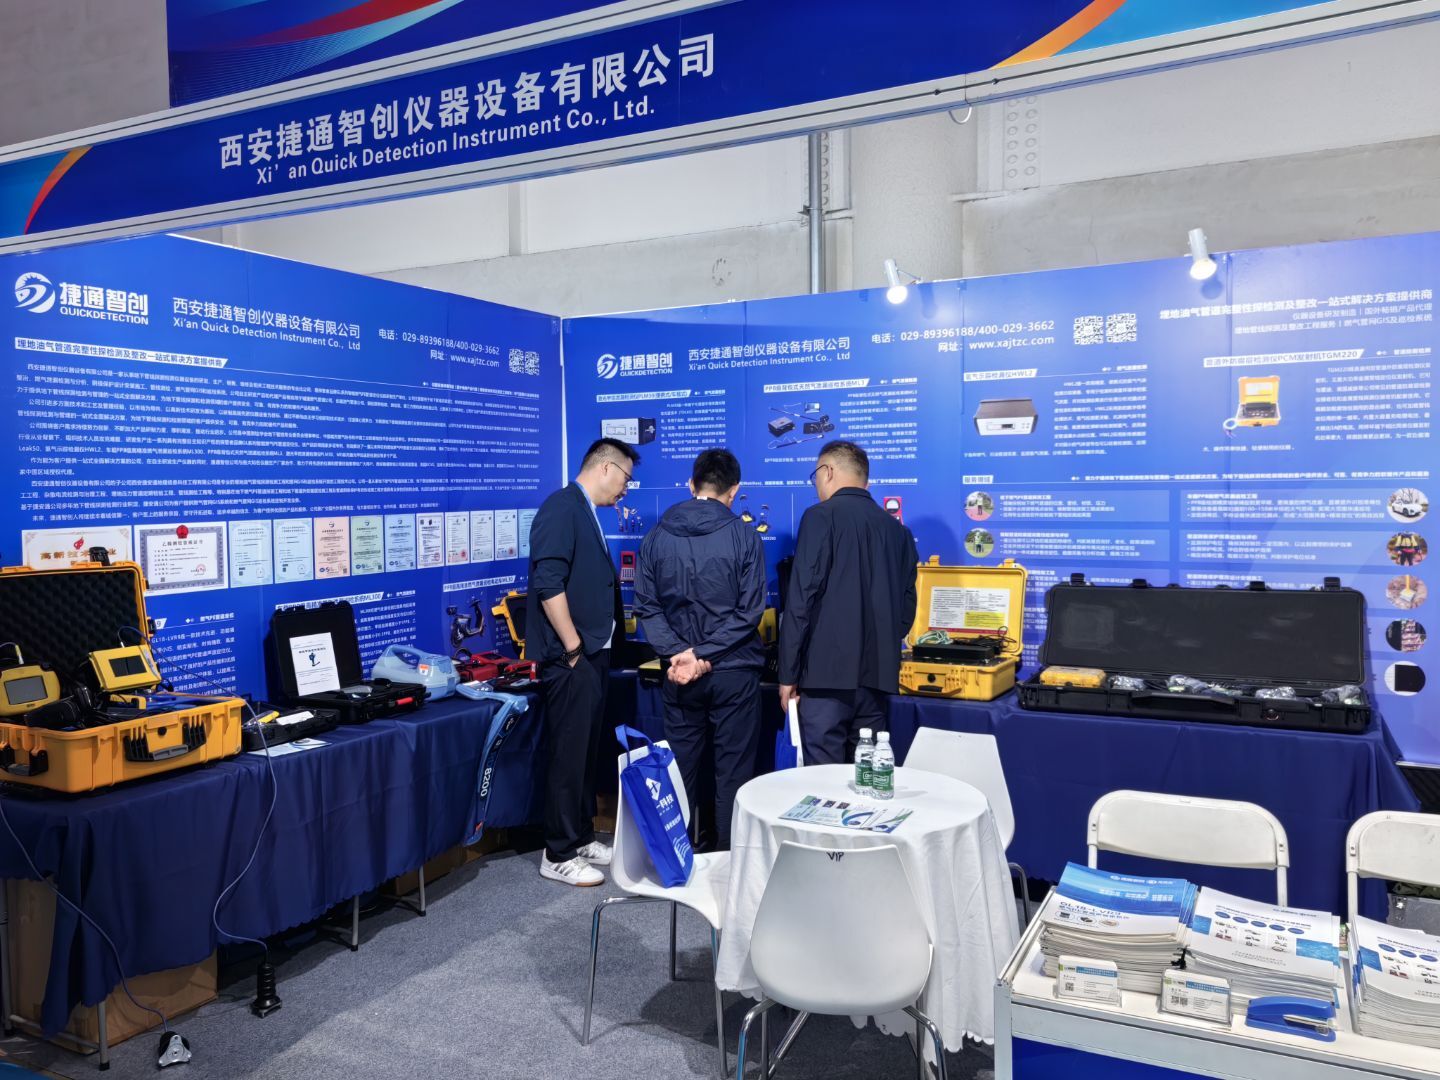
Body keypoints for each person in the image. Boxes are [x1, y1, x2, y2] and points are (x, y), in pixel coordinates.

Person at [634, 449, 766, 850]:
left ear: (692, 485)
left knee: (680, 772)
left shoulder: (656, 536)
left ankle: (679, 859)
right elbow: (749, 613)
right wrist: (702, 654)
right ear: (734, 490)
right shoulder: (745, 536)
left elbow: (647, 607)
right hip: (734, 672)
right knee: (733, 775)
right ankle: (729, 862)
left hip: (679, 675)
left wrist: (681, 654)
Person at [527, 437, 638, 887]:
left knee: (587, 751)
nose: (626, 488)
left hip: (594, 653)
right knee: (568, 755)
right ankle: (557, 852)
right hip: (572, 656)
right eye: (626, 477)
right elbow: (548, 583)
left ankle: (580, 836)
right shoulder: (561, 508)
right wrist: (572, 646)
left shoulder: (585, 511)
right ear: (606, 467)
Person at [778, 440, 918, 765]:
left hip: (824, 678)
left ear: (827, 472)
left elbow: (801, 600)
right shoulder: (897, 531)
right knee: (867, 777)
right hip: (877, 679)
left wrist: (788, 675)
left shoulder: (819, 517)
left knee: (822, 779)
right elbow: (906, 608)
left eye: (815, 475)